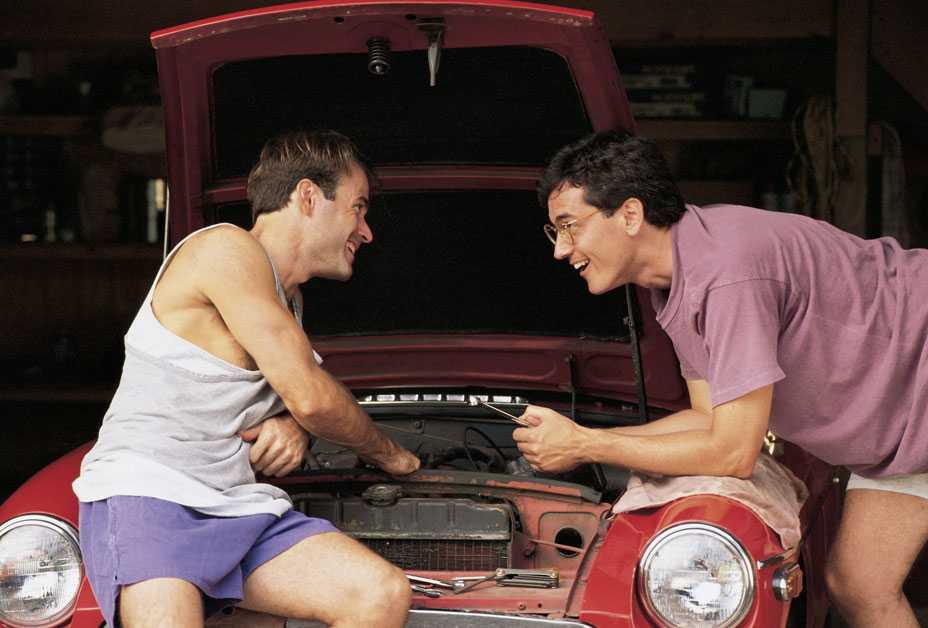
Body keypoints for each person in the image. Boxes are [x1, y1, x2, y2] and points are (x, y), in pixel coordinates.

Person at [514, 130, 928, 628]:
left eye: (569, 226)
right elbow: (708, 418)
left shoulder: (728, 273)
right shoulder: (675, 282)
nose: (561, 250)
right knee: (858, 584)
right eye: (554, 231)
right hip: (902, 418)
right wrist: (580, 439)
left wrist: (586, 445)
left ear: (628, 214)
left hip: (918, 375)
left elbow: (733, 452)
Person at [72, 129, 420, 628]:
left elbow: (295, 397)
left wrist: (293, 423)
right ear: (306, 196)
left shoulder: (289, 300)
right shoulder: (225, 250)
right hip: (152, 496)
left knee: (377, 593)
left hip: (236, 505)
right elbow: (314, 399)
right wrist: (392, 455)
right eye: (358, 208)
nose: (366, 231)